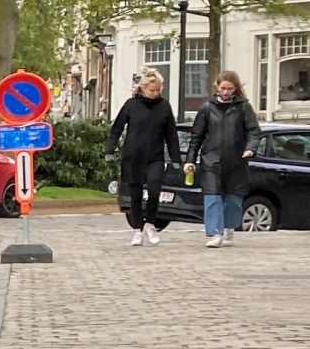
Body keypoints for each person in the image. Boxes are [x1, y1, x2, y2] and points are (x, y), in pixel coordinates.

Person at [108, 68, 182, 245]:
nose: (155, 94)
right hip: (133, 155)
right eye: (152, 91)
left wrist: (176, 159)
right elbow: (117, 128)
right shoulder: (131, 105)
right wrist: (109, 149)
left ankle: (150, 223)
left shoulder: (164, 106)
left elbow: (171, 134)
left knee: (155, 189)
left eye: (158, 91)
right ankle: (137, 230)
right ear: (143, 88)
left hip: (155, 156)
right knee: (136, 193)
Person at [188, 70, 260, 249]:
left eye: (229, 88)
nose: (226, 92)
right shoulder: (207, 108)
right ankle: (215, 233)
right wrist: (190, 160)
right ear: (216, 86)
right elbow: (196, 136)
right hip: (211, 160)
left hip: (236, 160)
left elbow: (254, 131)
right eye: (223, 88)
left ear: (236, 88)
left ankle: (229, 228)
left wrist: (250, 148)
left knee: (233, 200)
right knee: (212, 197)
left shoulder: (244, 107)